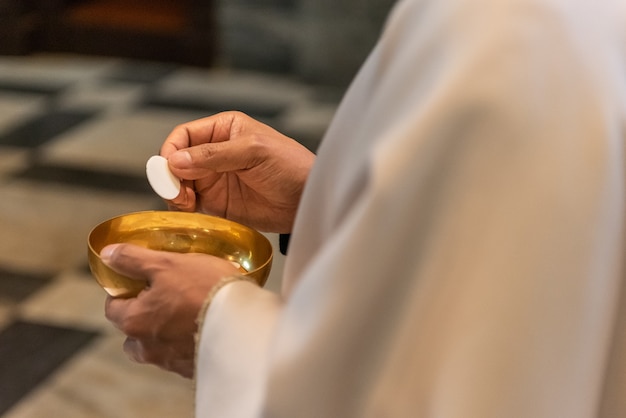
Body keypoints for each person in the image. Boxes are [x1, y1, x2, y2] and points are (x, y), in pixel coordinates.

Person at [101, 0, 626, 416]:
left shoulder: (504, 28)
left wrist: (215, 327)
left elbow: (419, 390)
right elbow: (531, 249)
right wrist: (321, 198)